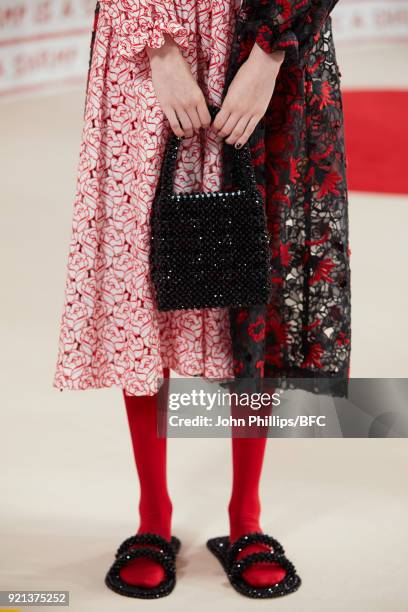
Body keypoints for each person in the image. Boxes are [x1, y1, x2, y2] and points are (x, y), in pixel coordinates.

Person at [54, 0, 351, 599]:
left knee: (256, 266)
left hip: (266, 34)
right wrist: (157, 46)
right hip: (144, 36)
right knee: (146, 268)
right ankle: (152, 515)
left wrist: (269, 52)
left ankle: (247, 515)